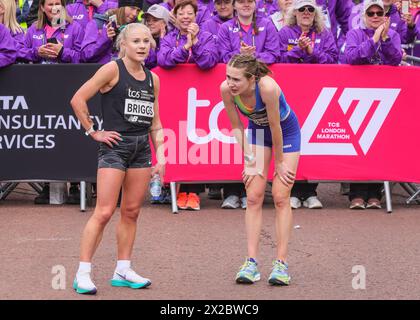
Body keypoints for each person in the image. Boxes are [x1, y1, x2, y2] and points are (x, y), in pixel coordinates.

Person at [70, 23, 164, 294]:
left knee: (132, 211)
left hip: (142, 149)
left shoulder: (152, 78)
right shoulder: (112, 69)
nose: (142, 46)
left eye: (146, 41)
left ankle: (123, 269)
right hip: (115, 147)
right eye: (136, 41)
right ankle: (83, 273)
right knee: (104, 211)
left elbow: (155, 122)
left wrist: (163, 155)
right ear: (124, 44)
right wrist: (93, 132)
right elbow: (77, 99)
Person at [220, 54, 301, 285]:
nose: (230, 83)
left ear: (252, 79)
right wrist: (248, 159)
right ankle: (251, 263)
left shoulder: (268, 88)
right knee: (253, 196)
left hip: (286, 133)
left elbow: (276, 127)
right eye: (228, 77)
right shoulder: (226, 90)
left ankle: (281, 264)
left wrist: (280, 162)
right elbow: (236, 126)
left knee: (280, 196)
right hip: (256, 133)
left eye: (236, 79)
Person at [344, 0, 402, 209]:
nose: (375, 16)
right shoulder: (354, 33)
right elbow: (351, 57)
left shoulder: (393, 35)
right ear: (365, 15)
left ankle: (375, 192)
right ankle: (356, 193)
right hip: (357, 94)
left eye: (379, 12)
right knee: (357, 142)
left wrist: (384, 39)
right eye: (371, 13)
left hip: (384, 96)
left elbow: (395, 60)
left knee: (380, 142)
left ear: (385, 15)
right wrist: (374, 38)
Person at [157, 0, 219, 69]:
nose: (185, 17)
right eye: (181, 14)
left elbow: (209, 62)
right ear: (175, 17)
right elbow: (162, 60)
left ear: (195, 16)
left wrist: (195, 42)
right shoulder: (169, 38)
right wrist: (185, 48)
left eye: (189, 13)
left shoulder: (207, 37)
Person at [217, 0, 279, 64]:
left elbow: (273, 55)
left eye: (250, 1)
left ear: (255, 4)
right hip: (236, 72)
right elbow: (223, 57)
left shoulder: (267, 25)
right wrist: (240, 53)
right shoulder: (226, 27)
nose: (246, 5)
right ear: (234, 6)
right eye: (241, 2)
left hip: (260, 72)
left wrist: (253, 55)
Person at [143, 3, 169, 69]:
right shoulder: (143, 39)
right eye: (148, 20)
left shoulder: (171, 39)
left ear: (165, 23)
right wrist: (152, 47)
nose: (150, 23)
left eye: (155, 20)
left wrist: (162, 40)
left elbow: (163, 63)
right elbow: (146, 65)